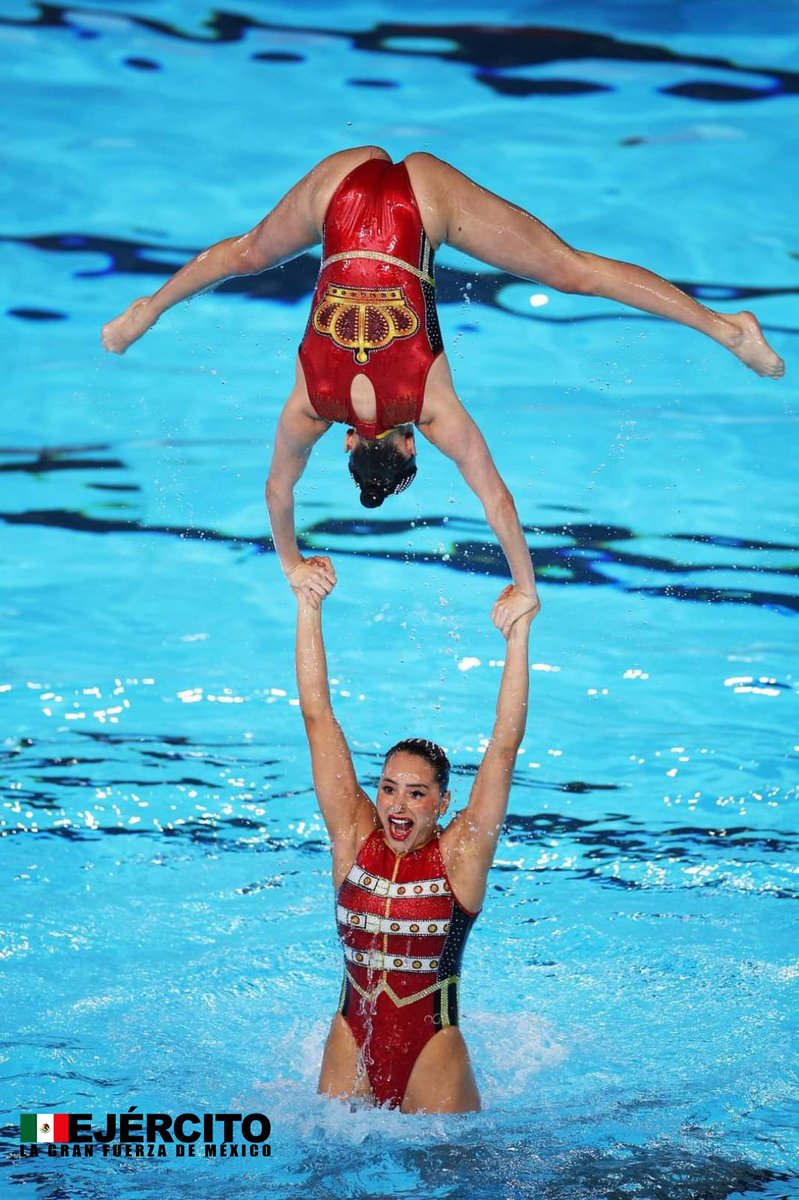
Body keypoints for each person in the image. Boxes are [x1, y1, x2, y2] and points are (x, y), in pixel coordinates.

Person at [101, 146, 784, 629]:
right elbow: (278, 494)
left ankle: (728, 330)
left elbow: (496, 499)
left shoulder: (430, 408)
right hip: (337, 193)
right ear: (349, 442)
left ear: (407, 444)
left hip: (421, 205)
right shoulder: (310, 405)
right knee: (247, 253)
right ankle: (145, 311)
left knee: (570, 271)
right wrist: (290, 561)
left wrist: (524, 586)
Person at [293, 576, 533, 1112]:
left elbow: (504, 745)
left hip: (433, 1054)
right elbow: (316, 716)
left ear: (442, 803)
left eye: (416, 794)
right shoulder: (354, 836)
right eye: (388, 789)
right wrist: (307, 605)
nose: (397, 806)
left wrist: (518, 636)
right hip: (349, 1041)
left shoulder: (460, 856)